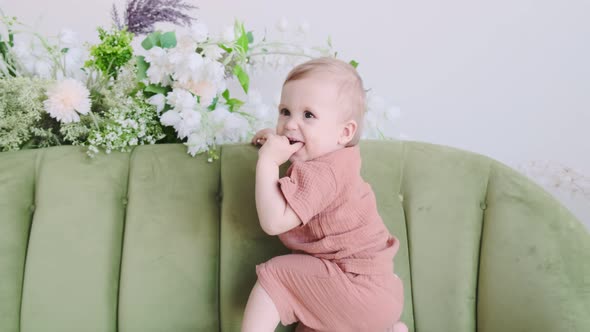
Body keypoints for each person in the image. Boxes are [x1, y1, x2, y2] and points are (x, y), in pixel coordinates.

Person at [241, 57, 407, 332]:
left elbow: (273, 222)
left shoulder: (323, 173)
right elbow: (302, 141)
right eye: (285, 112)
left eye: (308, 115)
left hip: (358, 289)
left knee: (277, 275)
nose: (291, 124)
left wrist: (268, 162)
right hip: (374, 295)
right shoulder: (338, 161)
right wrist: (278, 138)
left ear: (344, 132)